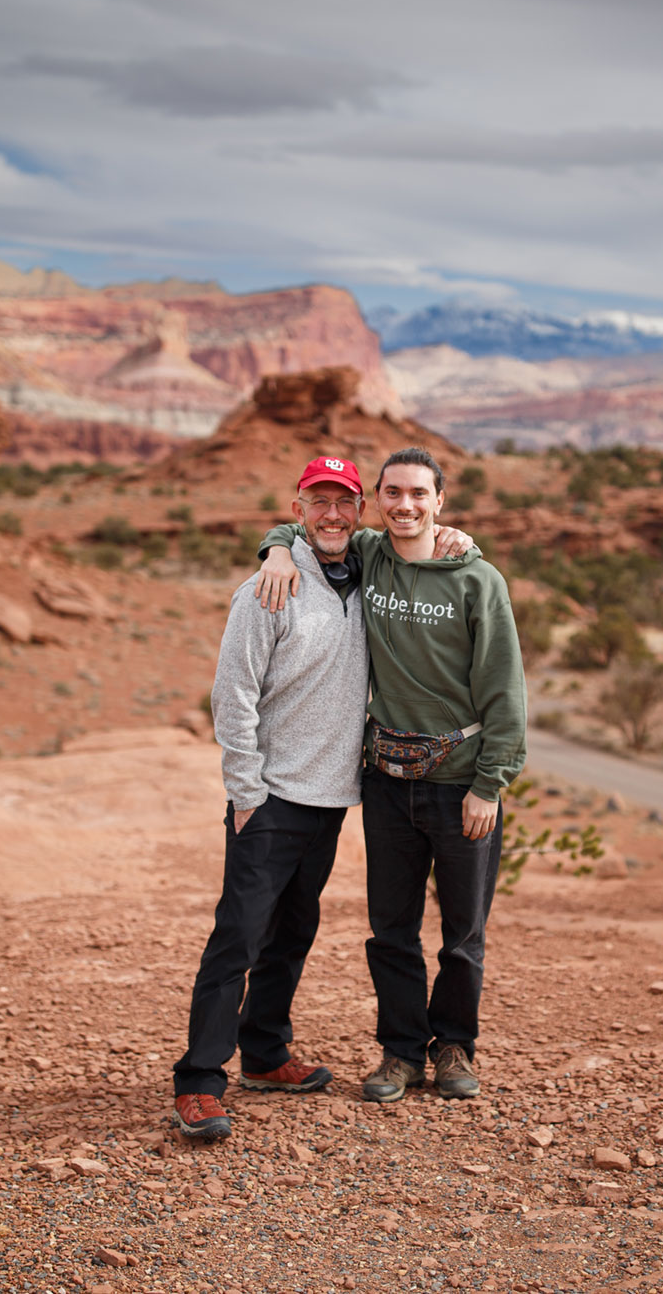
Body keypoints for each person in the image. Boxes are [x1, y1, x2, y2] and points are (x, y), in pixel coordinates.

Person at [171, 457, 472, 1140]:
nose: (332, 514)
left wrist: (459, 539)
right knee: (238, 937)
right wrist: (244, 790)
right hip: (269, 797)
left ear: (360, 508)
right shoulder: (266, 589)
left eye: (344, 501)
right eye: (318, 502)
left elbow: (423, 543)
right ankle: (198, 1079)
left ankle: (266, 1053)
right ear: (299, 506)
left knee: (292, 933)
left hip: (332, 797)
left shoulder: (372, 575)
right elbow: (233, 695)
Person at [255, 446, 526, 1104]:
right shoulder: (368, 553)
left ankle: (454, 1044)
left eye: (419, 494)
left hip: (462, 782)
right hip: (387, 779)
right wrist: (275, 552)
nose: (406, 505)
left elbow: (504, 688)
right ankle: (401, 1051)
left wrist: (491, 781)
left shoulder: (476, 579)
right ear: (378, 500)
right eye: (394, 493)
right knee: (392, 928)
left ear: (440, 502)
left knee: (462, 931)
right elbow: (298, 526)